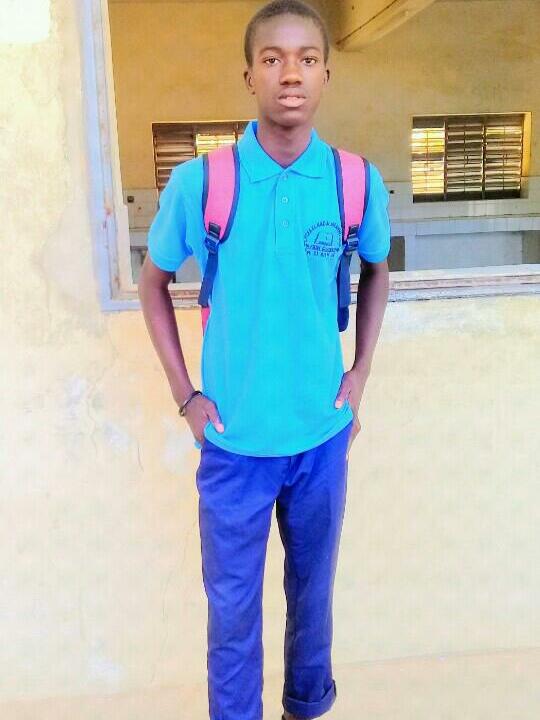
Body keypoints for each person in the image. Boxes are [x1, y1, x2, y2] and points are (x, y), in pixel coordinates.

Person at [138, 1, 391, 717]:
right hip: (234, 445)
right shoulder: (202, 183)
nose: (291, 75)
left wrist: (359, 375)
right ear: (249, 75)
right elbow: (152, 283)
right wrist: (187, 396)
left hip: (319, 439)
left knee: (313, 602)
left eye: (307, 59)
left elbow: (377, 270)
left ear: (326, 74)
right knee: (233, 615)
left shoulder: (353, 181)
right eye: (273, 59)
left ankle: (305, 707)